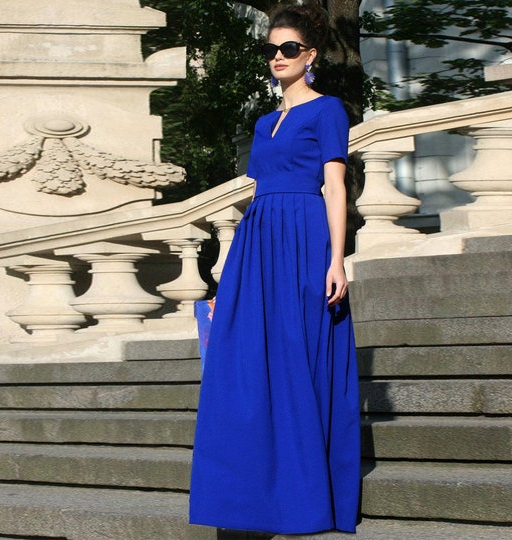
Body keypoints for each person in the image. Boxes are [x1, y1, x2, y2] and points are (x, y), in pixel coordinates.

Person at [188, 2, 360, 535]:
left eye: (289, 48)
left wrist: (336, 258)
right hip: (258, 238)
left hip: (304, 235)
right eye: (271, 49)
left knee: (296, 351)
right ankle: (250, 498)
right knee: (244, 360)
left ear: (311, 55)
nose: (278, 56)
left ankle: (304, 497)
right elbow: (256, 189)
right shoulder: (264, 122)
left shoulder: (328, 110)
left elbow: (334, 186)